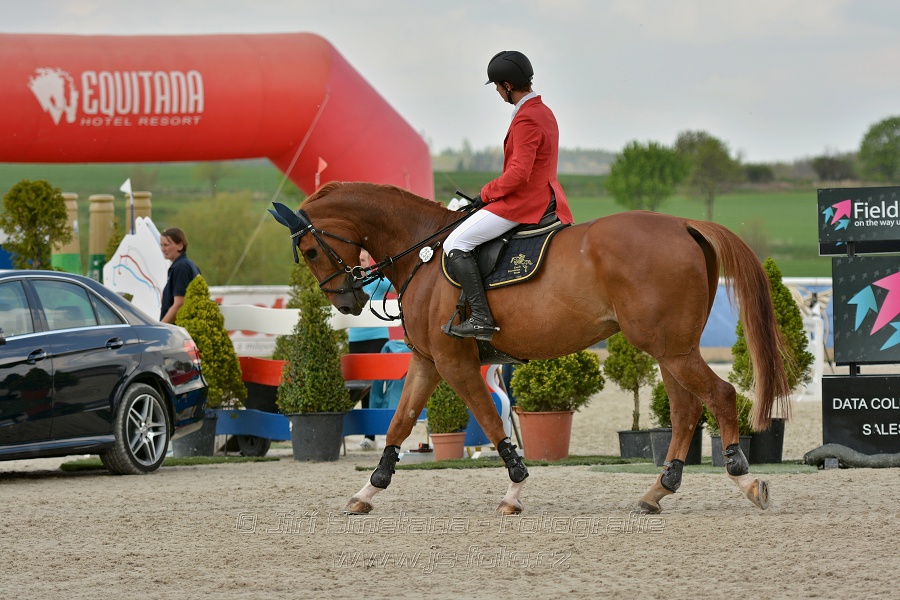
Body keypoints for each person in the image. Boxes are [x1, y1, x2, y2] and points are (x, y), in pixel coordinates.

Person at [443, 50, 574, 341]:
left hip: (525, 202)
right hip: (546, 195)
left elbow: (518, 174)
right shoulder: (543, 110)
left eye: (498, 87)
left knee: (455, 242)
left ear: (508, 85)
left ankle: (481, 318)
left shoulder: (526, 118)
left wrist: (486, 193)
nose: (498, 92)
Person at [348, 250, 393, 450]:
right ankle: (369, 436)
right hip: (356, 339)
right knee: (360, 388)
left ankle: (378, 433)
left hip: (378, 338)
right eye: (357, 260)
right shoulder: (348, 283)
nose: (360, 263)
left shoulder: (378, 280)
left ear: (369, 262)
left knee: (377, 385)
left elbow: (398, 286)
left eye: (363, 260)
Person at [159, 227, 201, 323]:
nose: (163, 249)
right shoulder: (190, 265)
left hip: (180, 327)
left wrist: (161, 327)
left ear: (180, 246)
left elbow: (179, 303)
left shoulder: (181, 267)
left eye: (166, 245)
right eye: (161, 245)